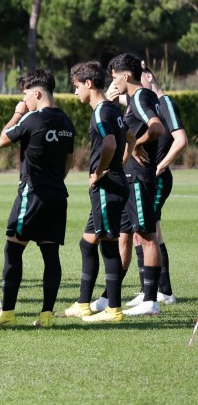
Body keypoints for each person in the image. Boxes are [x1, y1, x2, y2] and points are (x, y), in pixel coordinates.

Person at [0, 69, 74, 329]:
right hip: (57, 195)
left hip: (33, 194)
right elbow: (70, 161)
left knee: (13, 249)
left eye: (26, 95)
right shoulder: (66, 121)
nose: (24, 100)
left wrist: (18, 112)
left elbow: (2, 140)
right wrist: (54, 180)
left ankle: (7, 313)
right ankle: (46, 315)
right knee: (50, 253)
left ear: (37, 93)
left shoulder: (32, 118)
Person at [91, 53, 164, 316]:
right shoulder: (133, 99)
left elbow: (157, 128)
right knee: (127, 236)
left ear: (125, 75)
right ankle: (110, 297)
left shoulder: (142, 97)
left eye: (114, 77)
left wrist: (138, 146)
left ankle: (151, 300)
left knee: (146, 236)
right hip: (129, 176)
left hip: (140, 176)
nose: (113, 82)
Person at [63, 61, 130, 323]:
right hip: (113, 184)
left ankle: (113, 310)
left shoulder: (102, 111)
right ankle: (83, 304)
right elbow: (130, 139)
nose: (75, 92)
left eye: (77, 87)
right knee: (87, 242)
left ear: (88, 84)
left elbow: (111, 143)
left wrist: (100, 170)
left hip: (107, 186)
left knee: (109, 246)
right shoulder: (113, 109)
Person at [146, 66, 187, 304]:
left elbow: (180, 139)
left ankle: (164, 291)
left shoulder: (165, 103)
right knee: (144, 232)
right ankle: (151, 290)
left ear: (149, 76)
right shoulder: (148, 105)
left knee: (150, 233)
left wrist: (161, 166)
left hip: (158, 178)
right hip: (148, 177)